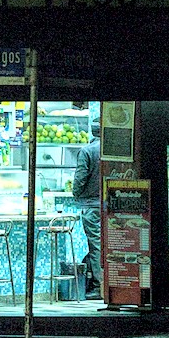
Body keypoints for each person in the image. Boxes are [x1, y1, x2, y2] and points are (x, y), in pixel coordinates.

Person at [72, 122, 103, 299]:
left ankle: (99, 286)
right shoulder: (110, 150)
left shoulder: (87, 151)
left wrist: (76, 193)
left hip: (91, 205)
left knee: (96, 244)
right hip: (107, 204)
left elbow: (80, 178)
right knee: (107, 244)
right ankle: (108, 283)